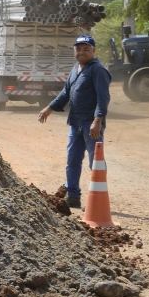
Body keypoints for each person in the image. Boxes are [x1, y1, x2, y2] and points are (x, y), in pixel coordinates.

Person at [37, 35, 110, 211]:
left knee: (96, 162)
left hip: (90, 125)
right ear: (74, 51)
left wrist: (97, 120)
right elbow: (66, 93)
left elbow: (103, 98)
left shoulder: (98, 70)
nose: (81, 52)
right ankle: (73, 197)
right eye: (78, 49)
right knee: (72, 161)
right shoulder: (76, 69)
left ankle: (98, 200)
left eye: (86, 49)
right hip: (75, 122)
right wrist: (49, 108)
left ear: (94, 50)